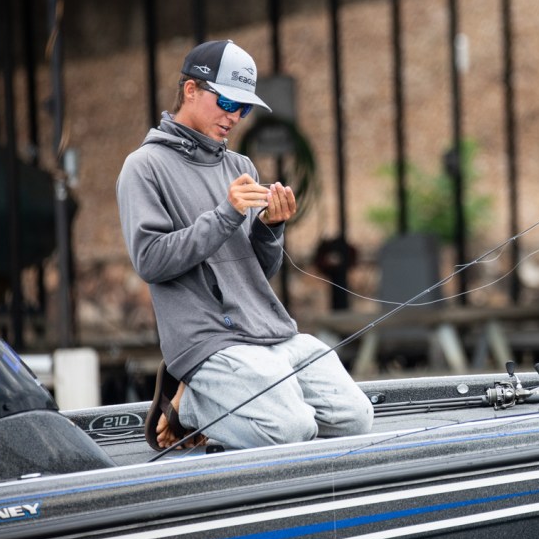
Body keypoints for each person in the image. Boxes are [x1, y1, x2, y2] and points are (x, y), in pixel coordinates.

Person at [117, 39, 373, 450]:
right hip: (209, 341)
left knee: (356, 419)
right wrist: (225, 214)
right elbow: (150, 261)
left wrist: (271, 228)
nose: (235, 116)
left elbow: (260, 270)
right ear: (190, 90)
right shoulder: (143, 167)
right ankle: (192, 406)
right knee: (291, 429)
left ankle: (211, 403)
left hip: (270, 333)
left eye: (244, 108)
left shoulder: (241, 166)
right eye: (227, 102)